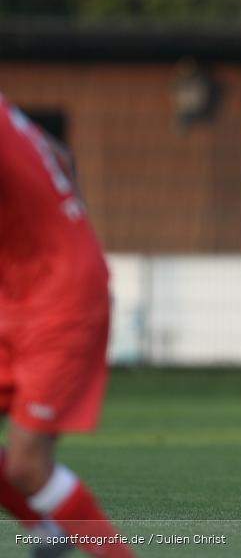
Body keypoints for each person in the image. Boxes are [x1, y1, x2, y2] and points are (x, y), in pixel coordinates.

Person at [0, 95, 133, 557]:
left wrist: (64, 255)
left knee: (27, 465)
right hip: (26, 291)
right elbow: (62, 156)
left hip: (58, 298)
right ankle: (47, 527)